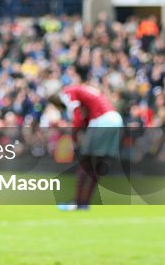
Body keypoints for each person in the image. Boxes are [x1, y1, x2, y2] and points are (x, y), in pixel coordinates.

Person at [48, 82, 124, 210]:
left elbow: (77, 117)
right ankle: (84, 203)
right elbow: (85, 117)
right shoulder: (81, 90)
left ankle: (77, 203)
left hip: (102, 121)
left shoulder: (67, 93)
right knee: (96, 166)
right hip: (116, 120)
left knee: (85, 163)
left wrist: (74, 140)